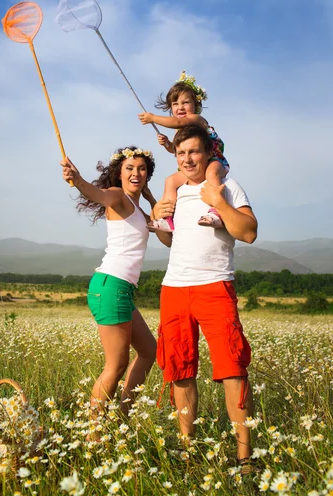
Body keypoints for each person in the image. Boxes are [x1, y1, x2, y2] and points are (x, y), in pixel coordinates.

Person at [152, 124, 258, 474]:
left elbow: (249, 232)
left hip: (215, 286)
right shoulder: (177, 192)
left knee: (232, 369)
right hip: (174, 288)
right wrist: (159, 220)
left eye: (193, 152)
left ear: (209, 153)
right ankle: (188, 450)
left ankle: (245, 459)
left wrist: (218, 204)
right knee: (179, 369)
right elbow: (173, 241)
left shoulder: (227, 187)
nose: (187, 159)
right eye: (181, 153)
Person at [61, 146, 168, 423]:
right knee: (116, 365)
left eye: (142, 168)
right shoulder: (118, 197)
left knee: (148, 351)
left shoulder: (139, 210)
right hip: (111, 285)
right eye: (130, 168)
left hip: (121, 289)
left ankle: (122, 417)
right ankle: (93, 433)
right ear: (119, 174)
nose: (136, 173)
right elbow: (100, 195)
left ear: (147, 175)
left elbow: (166, 236)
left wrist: (151, 199)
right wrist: (78, 179)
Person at [138, 71, 229, 230]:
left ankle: (216, 211)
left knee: (211, 174)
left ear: (196, 106)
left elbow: (179, 121)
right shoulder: (179, 131)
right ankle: (168, 219)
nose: (180, 107)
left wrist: (153, 118)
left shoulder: (196, 120)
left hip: (214, 160)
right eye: (175, 104)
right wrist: (168, 144)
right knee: (170, 181)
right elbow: (176, 150)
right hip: (192, 165)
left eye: (185, 102)